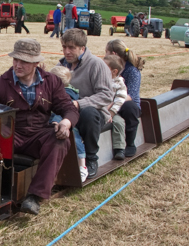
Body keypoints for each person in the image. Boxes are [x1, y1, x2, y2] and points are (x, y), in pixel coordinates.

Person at [0, 38, 78, 215]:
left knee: (59, 140)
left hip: (38, 135)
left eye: (24, 61)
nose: (18, 65)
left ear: (36, 63)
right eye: (15, 59)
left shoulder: (52, 82)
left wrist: (65, 123)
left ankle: (34, 197)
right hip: (9, 136)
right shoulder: (0, 84)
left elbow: (68, 108)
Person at [58, 28, 116, 178]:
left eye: (71, 48)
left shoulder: (96, 65)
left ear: (82, 48)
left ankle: (91, 158)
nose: (67, 51)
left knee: (88, 113)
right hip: (67, 110)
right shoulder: (61, 66)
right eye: (64, 47)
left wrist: (79, 104)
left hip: (92, 113)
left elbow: (106, 95)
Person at [104, 38, 144, 157]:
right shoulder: (108, 67)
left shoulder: (131, 70)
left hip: (126, 103)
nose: (104, 55)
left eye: (106, 52)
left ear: (113, 54)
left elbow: (129, 95)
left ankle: (130, 143)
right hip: (110, 101)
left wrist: (111, 104)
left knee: (129, 107)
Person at [48, 65, 88, 181]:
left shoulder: (67, 94)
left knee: (74, 138)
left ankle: (82, 165)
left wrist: (56, 121)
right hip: (53, 122)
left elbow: (62, 110)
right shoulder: (54, 91)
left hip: (68, 123)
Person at [103, 55, 130, 160]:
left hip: (111, 111)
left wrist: (111, 113)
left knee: (119, 122)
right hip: (98, 109)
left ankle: (119, 148)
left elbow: (120, 100)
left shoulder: (119, 84)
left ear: (114, 71)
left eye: (104, 67)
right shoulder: (99, 78)